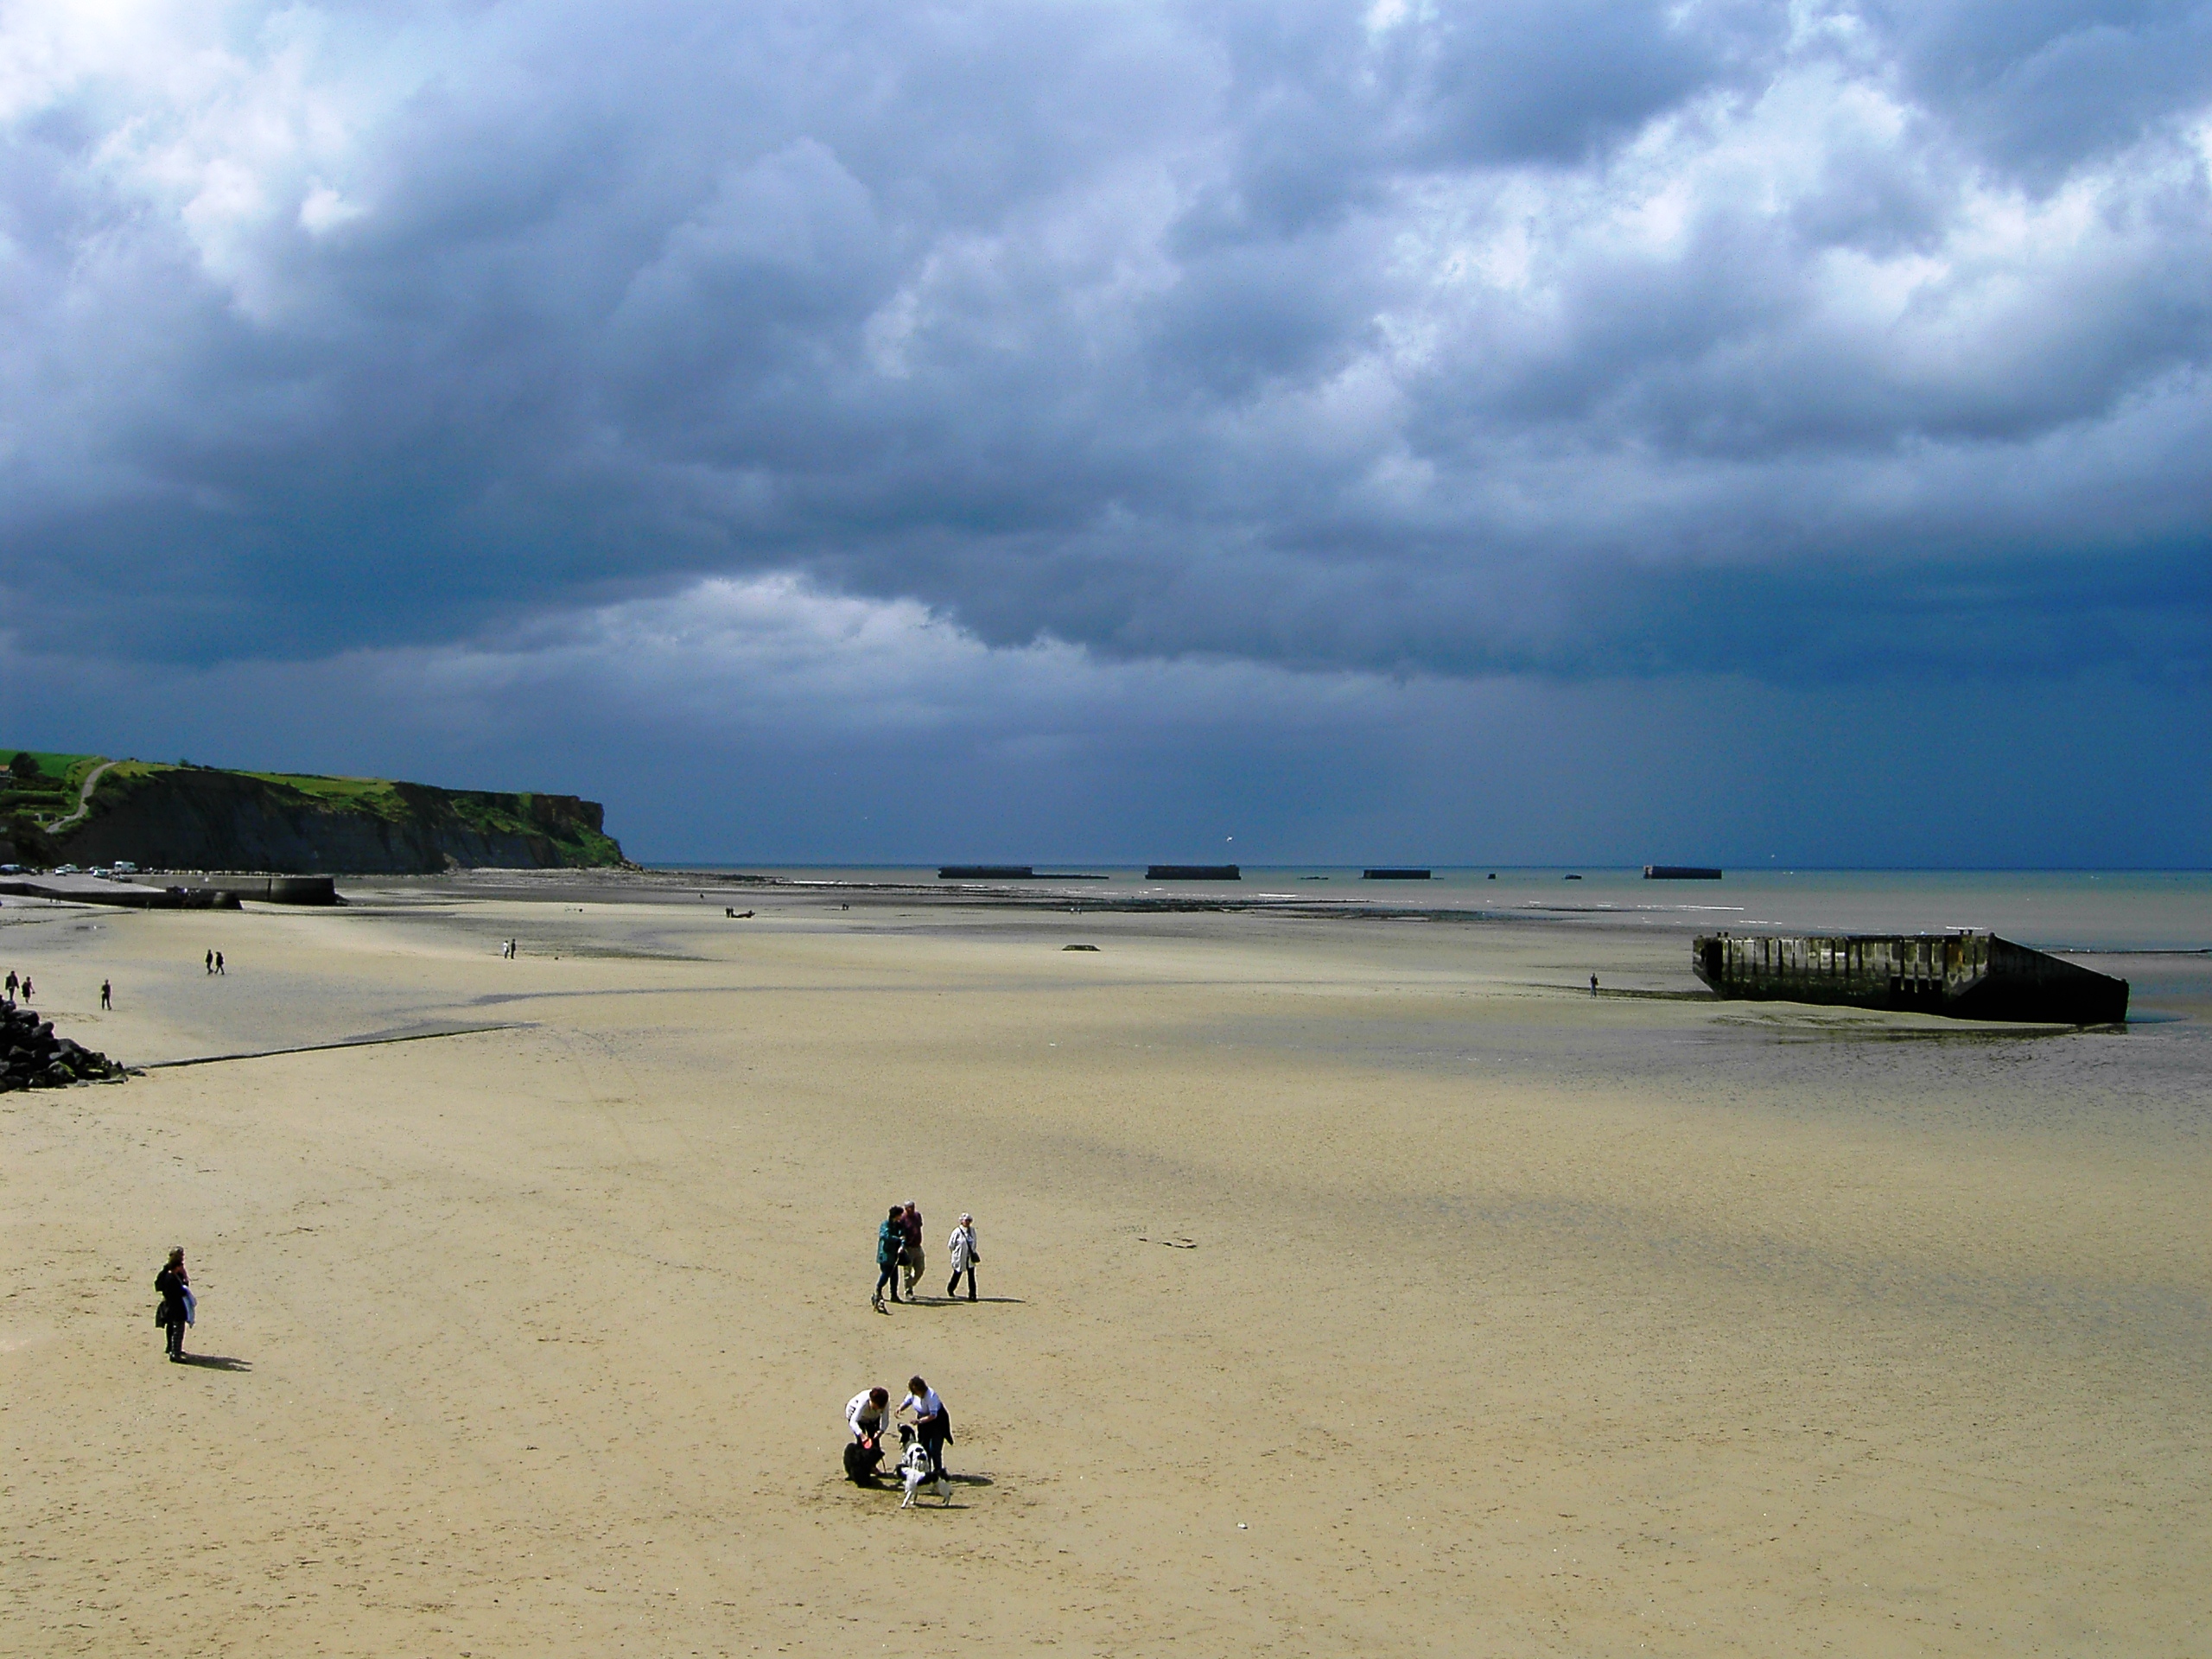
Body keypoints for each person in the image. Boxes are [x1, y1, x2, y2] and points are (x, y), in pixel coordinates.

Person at [899, 1376, 950, 1476]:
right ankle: (926, 1471)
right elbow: (908, 1401)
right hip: (923, 1422)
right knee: (923, 1447)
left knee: (934, 1448)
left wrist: (919, 1421)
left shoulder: (930, 1396)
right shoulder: (913, 1395)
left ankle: (938, 1472)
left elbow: (933, 1415)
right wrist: (900, 1408)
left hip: (937, 1422)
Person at [844, 1386, 891, 1482]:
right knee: (862, 1445)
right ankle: (857, 1470)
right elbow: (853, 1422)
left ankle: (872, 1466)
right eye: (876, 1407)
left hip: (872, 1418)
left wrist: (880, 1431)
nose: (879, 1409)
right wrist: (862, 1435)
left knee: (875, 1445)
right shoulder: (864, 1401)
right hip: (856, 1416)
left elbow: (885, 1420)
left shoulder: (885, 1403)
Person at [154, 1248, 191, 1362]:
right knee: (174, 1327)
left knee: (173, 1326)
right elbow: (161, 1285)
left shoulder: (172, 1271)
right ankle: (173, 1350)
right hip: (172, 1304)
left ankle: (172, 1348)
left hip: (171, 1302)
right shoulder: (169, 1272)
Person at [873, 1205, 905, 1311]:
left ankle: (894, 1295)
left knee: (895, 1275)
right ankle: (878, 1290)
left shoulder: (898, 1225)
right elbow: (885, 1236)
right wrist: (897, 1239)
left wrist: (902, 1245)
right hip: (885, 1253)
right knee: (886, 1273)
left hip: (894, 1254)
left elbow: (903, 1236)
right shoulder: (885, 1224)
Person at [946, 1213, 980, 1301]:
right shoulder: (957, 1231)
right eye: (966, 1220)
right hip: (960, 1257)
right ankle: (951, 1289)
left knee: (971, 1276)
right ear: (962, 1221)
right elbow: (951, 1245)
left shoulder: (972, 1231)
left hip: (970, 1257)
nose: (968, 1222)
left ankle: (972, 1295)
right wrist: (956, 1253)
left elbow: (974, 1242)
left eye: (969, 1221)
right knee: (957, 1274)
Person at [899, 1200, 925, 1299]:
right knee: (907, 1271)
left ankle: (911, 1284)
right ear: (906, 1209)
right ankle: (908, 1291)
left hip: (918, 1247)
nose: (912, 1209)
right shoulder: (902, 1219)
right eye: (910, 1207)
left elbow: (919, 1226)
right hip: (908, 1248)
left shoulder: (917, 1215)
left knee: (920, 1269)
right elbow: (900, 1233)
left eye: (913, 1207)